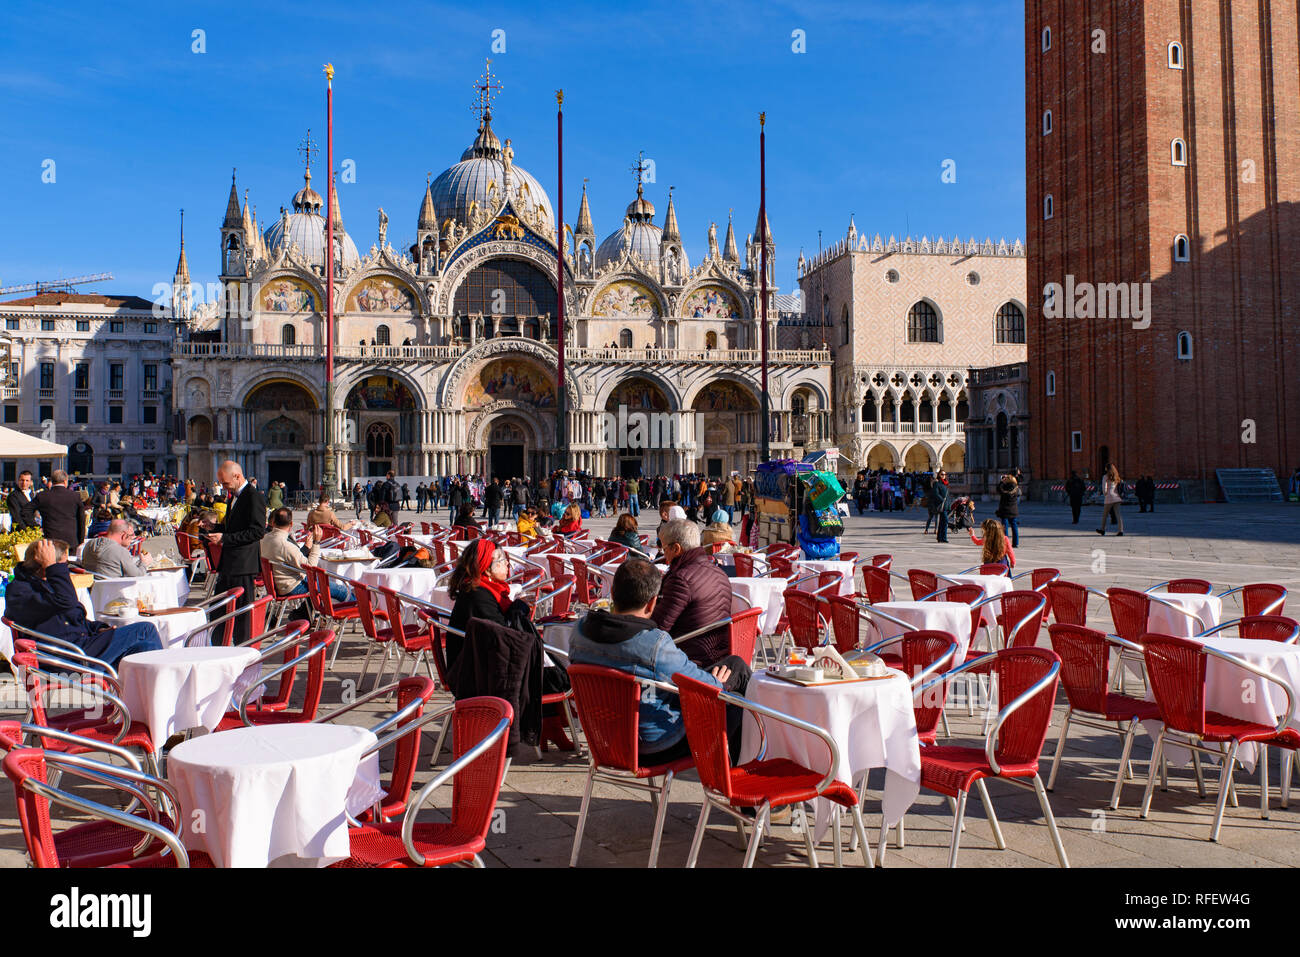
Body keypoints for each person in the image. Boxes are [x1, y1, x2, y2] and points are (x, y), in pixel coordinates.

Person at [570, 558, 749, 765]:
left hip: (603, 739)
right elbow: (707, 687)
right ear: (652, 603)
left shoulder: (579, 632)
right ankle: (742, 776)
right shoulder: (654, 644)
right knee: (735, 700)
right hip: (653, 745)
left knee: (734, 664)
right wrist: (718, 684)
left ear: (612, 594)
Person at [7, 539, 162, 669]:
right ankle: (161, 695)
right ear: (46, 565)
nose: (65, 569)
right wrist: (53, 567)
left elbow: (72, 616)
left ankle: (143, 701)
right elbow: (67, 602)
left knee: (145, 648)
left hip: (79, 646)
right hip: (65, 657)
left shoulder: (43, 584)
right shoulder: (20, 591)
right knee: (145, 629)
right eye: (63, 564)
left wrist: (97, 628)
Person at [652, 519, 734, 669]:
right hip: (720, 655)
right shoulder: (719, 572)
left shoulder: (681, 579)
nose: (664, 555)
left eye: (664, 549)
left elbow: (658, 628)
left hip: (690, 659)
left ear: (676, 548)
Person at [207, 460, 267, 645]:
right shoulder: (234, 496)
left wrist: (224, 539)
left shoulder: (253, 496)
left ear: (237, 476)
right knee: (218, 610)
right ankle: (218, 648)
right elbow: (234, 527)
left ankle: (242, 650)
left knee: (241, 614)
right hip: (230, 563)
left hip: (243, 564)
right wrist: (214, 528)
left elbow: (257, 532)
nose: (224, 487)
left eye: (225, 483)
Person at [260, 508, 353, 603]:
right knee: (342, 590)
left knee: (320, 583)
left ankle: (303, 613)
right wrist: (316, 542)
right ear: (291, 524)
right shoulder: (285, 545)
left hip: (278, 585)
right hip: (291, 586)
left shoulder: (264, 539)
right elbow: (311, 567)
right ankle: (360, 611)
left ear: (273, 522)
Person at [80, 519, 153, 578]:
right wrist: (144, 563)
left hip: (91, 590)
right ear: (124, 535)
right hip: (114, 591)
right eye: (131, 536)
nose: (132, 539)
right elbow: (137, 575)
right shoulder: (120, 551)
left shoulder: (89, 544)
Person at [35, 469, 86, 548]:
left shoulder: (42, 496)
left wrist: (35, 526)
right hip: (71, 539)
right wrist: (81, 539)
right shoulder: (75, 496)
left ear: (52, 481)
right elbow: (81, 519)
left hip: (50, 539)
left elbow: (25, 511)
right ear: (65, 481)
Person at [1097, 464, 1125, 536]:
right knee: (1118, 514)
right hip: (1117, 497)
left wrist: (1105, 494)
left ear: (1107, 469)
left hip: (1109, 497)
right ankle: (1120, 530)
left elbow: (1104, 488)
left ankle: (1102, 529)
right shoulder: (1116, 476)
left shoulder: (1105, 477)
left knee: (1105, 515)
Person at [996, 473, 1021, 548]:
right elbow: (1018, 482)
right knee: (1014, 527)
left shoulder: (1004, 488)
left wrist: (1001, 481)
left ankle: (1005, 543)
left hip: (1005, 510)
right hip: (1013, 510)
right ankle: (1015, 543)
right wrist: (1018, 476)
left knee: (1004, 527)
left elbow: (998, 489)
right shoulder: (1016, 488)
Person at [929, 469, 949, 543]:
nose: (944, 476)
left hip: (945, 505)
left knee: (942, 521)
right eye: (942, 474)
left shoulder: (945, 483)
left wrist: (948, 504)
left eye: (945, 474)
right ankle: (944, 537)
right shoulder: (937, 483)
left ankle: (939, 537)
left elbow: (947, 495)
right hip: (941, 505)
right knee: (945, 521)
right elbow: (935, 494)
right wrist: (942, 500)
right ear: (939, 475)